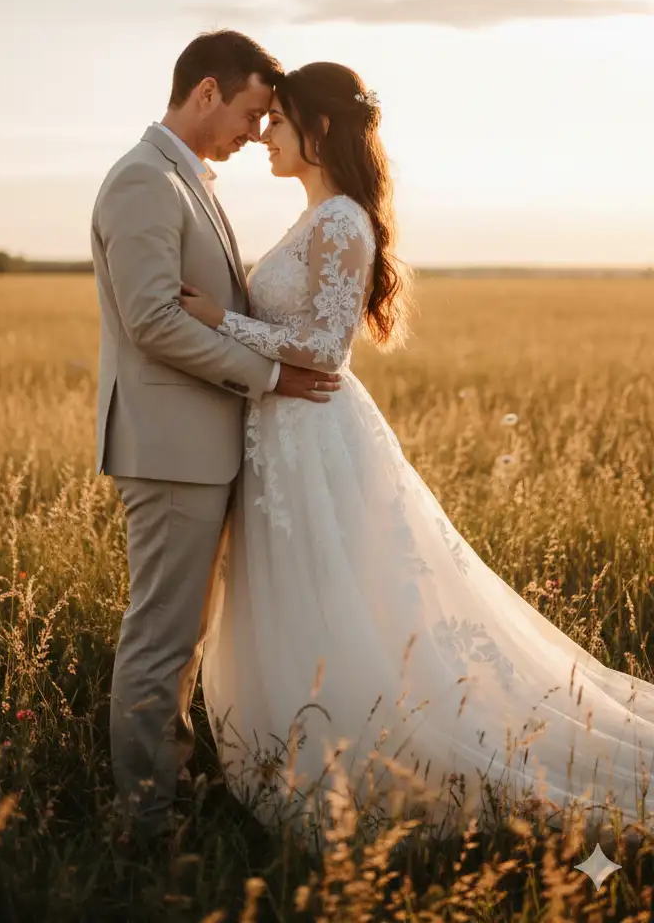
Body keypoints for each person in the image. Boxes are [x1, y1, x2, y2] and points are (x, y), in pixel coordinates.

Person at [180, 60, 654, 846]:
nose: (265, 133)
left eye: (279, 119)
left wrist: (216, 322)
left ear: (319, 129)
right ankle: (306, 744)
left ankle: (413, 769)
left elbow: (326, 349)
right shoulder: (317, 216)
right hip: (286, 437)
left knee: (343, 598)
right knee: (313, 598)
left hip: (316, 433)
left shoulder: (340, 222)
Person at [91, 31, 342, 838]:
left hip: (203, 447)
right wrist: (272, 377)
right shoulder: (142, 181)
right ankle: (145, 827)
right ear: (206, 91)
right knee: (161, 641)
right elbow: (155, 320)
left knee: (182, 639)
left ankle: (173, 793)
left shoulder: (184, 181)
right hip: (169, 449)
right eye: (249, 111)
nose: (253, 130)